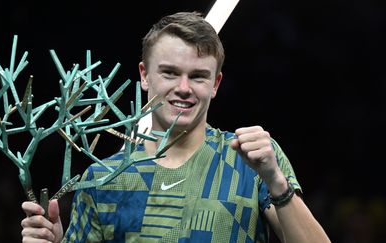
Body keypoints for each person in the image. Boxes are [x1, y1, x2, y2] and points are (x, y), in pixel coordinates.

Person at [21, 11, 330, 242]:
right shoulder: (102, 178)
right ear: (144, 75)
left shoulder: (251, 161)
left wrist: (276, 180)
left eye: (197, 76)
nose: (184, 87)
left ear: (215, 83)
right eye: (169, 73)